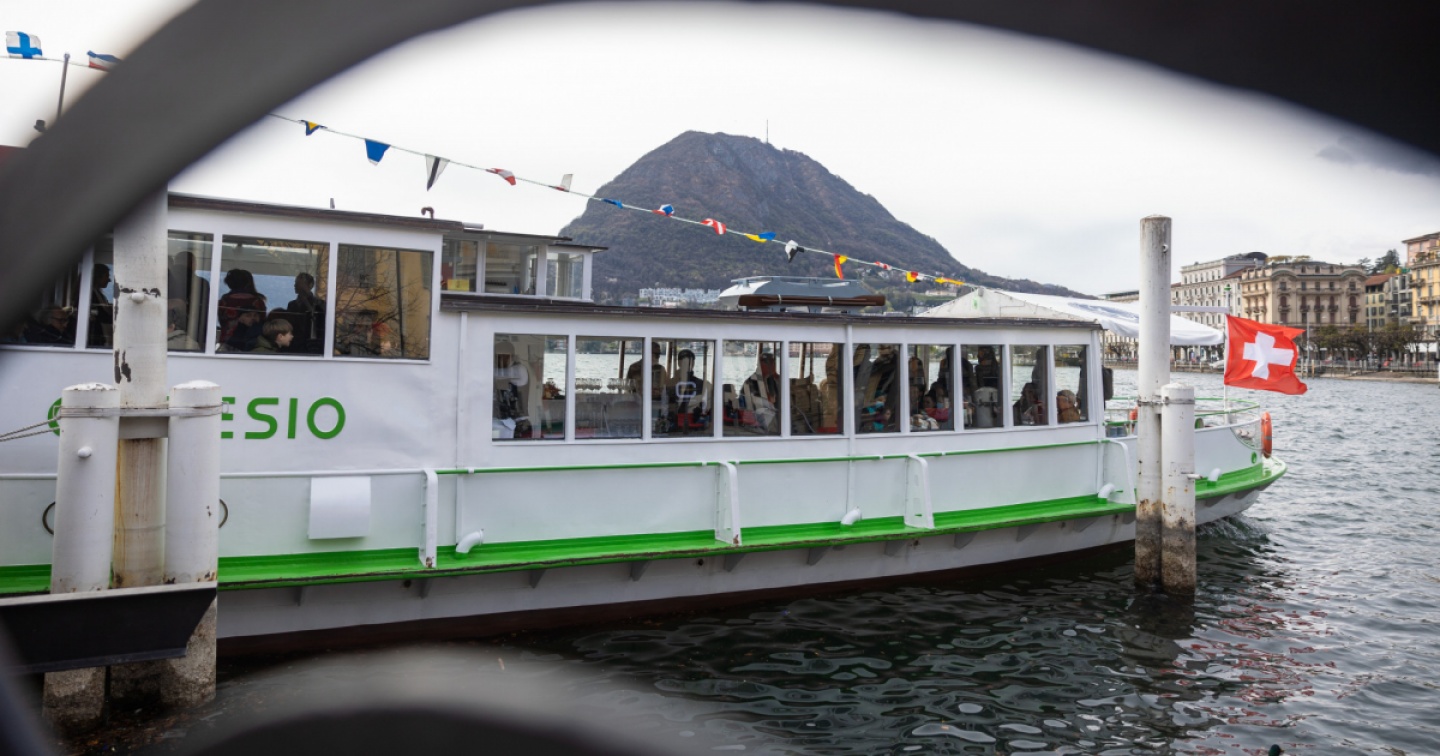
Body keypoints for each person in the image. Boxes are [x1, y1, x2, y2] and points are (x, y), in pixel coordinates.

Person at [167, 251, 210, 349]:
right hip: (195, 330)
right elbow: (205, 310)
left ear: (175, 262)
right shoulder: (201, 283)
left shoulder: (163, 279)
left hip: (166, 329)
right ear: (193, 264)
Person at [217, 269, 267, 351]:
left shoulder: (224, 301)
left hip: (227, 341)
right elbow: (262, 321)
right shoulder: (257, 302)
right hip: (252, 342)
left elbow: (222, 321)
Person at [665, 348, 710, 433]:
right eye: (684, 362)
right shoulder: (670, 384)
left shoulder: (703, 385)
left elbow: (707, 407)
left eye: (690, 362)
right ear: (678, 363)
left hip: (693, 424)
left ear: (693, 363)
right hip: (673, 423)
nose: (688, 365)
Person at [740, 352, 781, 433]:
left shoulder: (771, 380)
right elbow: (757, 403)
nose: (774, 367)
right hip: (756, 421)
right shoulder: (751, 381)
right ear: (762, 364)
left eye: (774, 364)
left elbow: (776, 401)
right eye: (772, 364)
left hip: (771, 419)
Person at [285, 271, 325, 354]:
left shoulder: (318, 304)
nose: (295, 285)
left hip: (312, 345)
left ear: (309, 286)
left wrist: (307, 297)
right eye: (295, 283)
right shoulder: (291, 305)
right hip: (293, 345)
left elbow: (320, 318)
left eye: (299, 283)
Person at [87, 264, 113, 347]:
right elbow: (100, 315)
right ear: (98, 277)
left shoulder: (97, 293)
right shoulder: (89, 295)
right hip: (93, 335)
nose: (109, 280)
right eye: (106, 276)